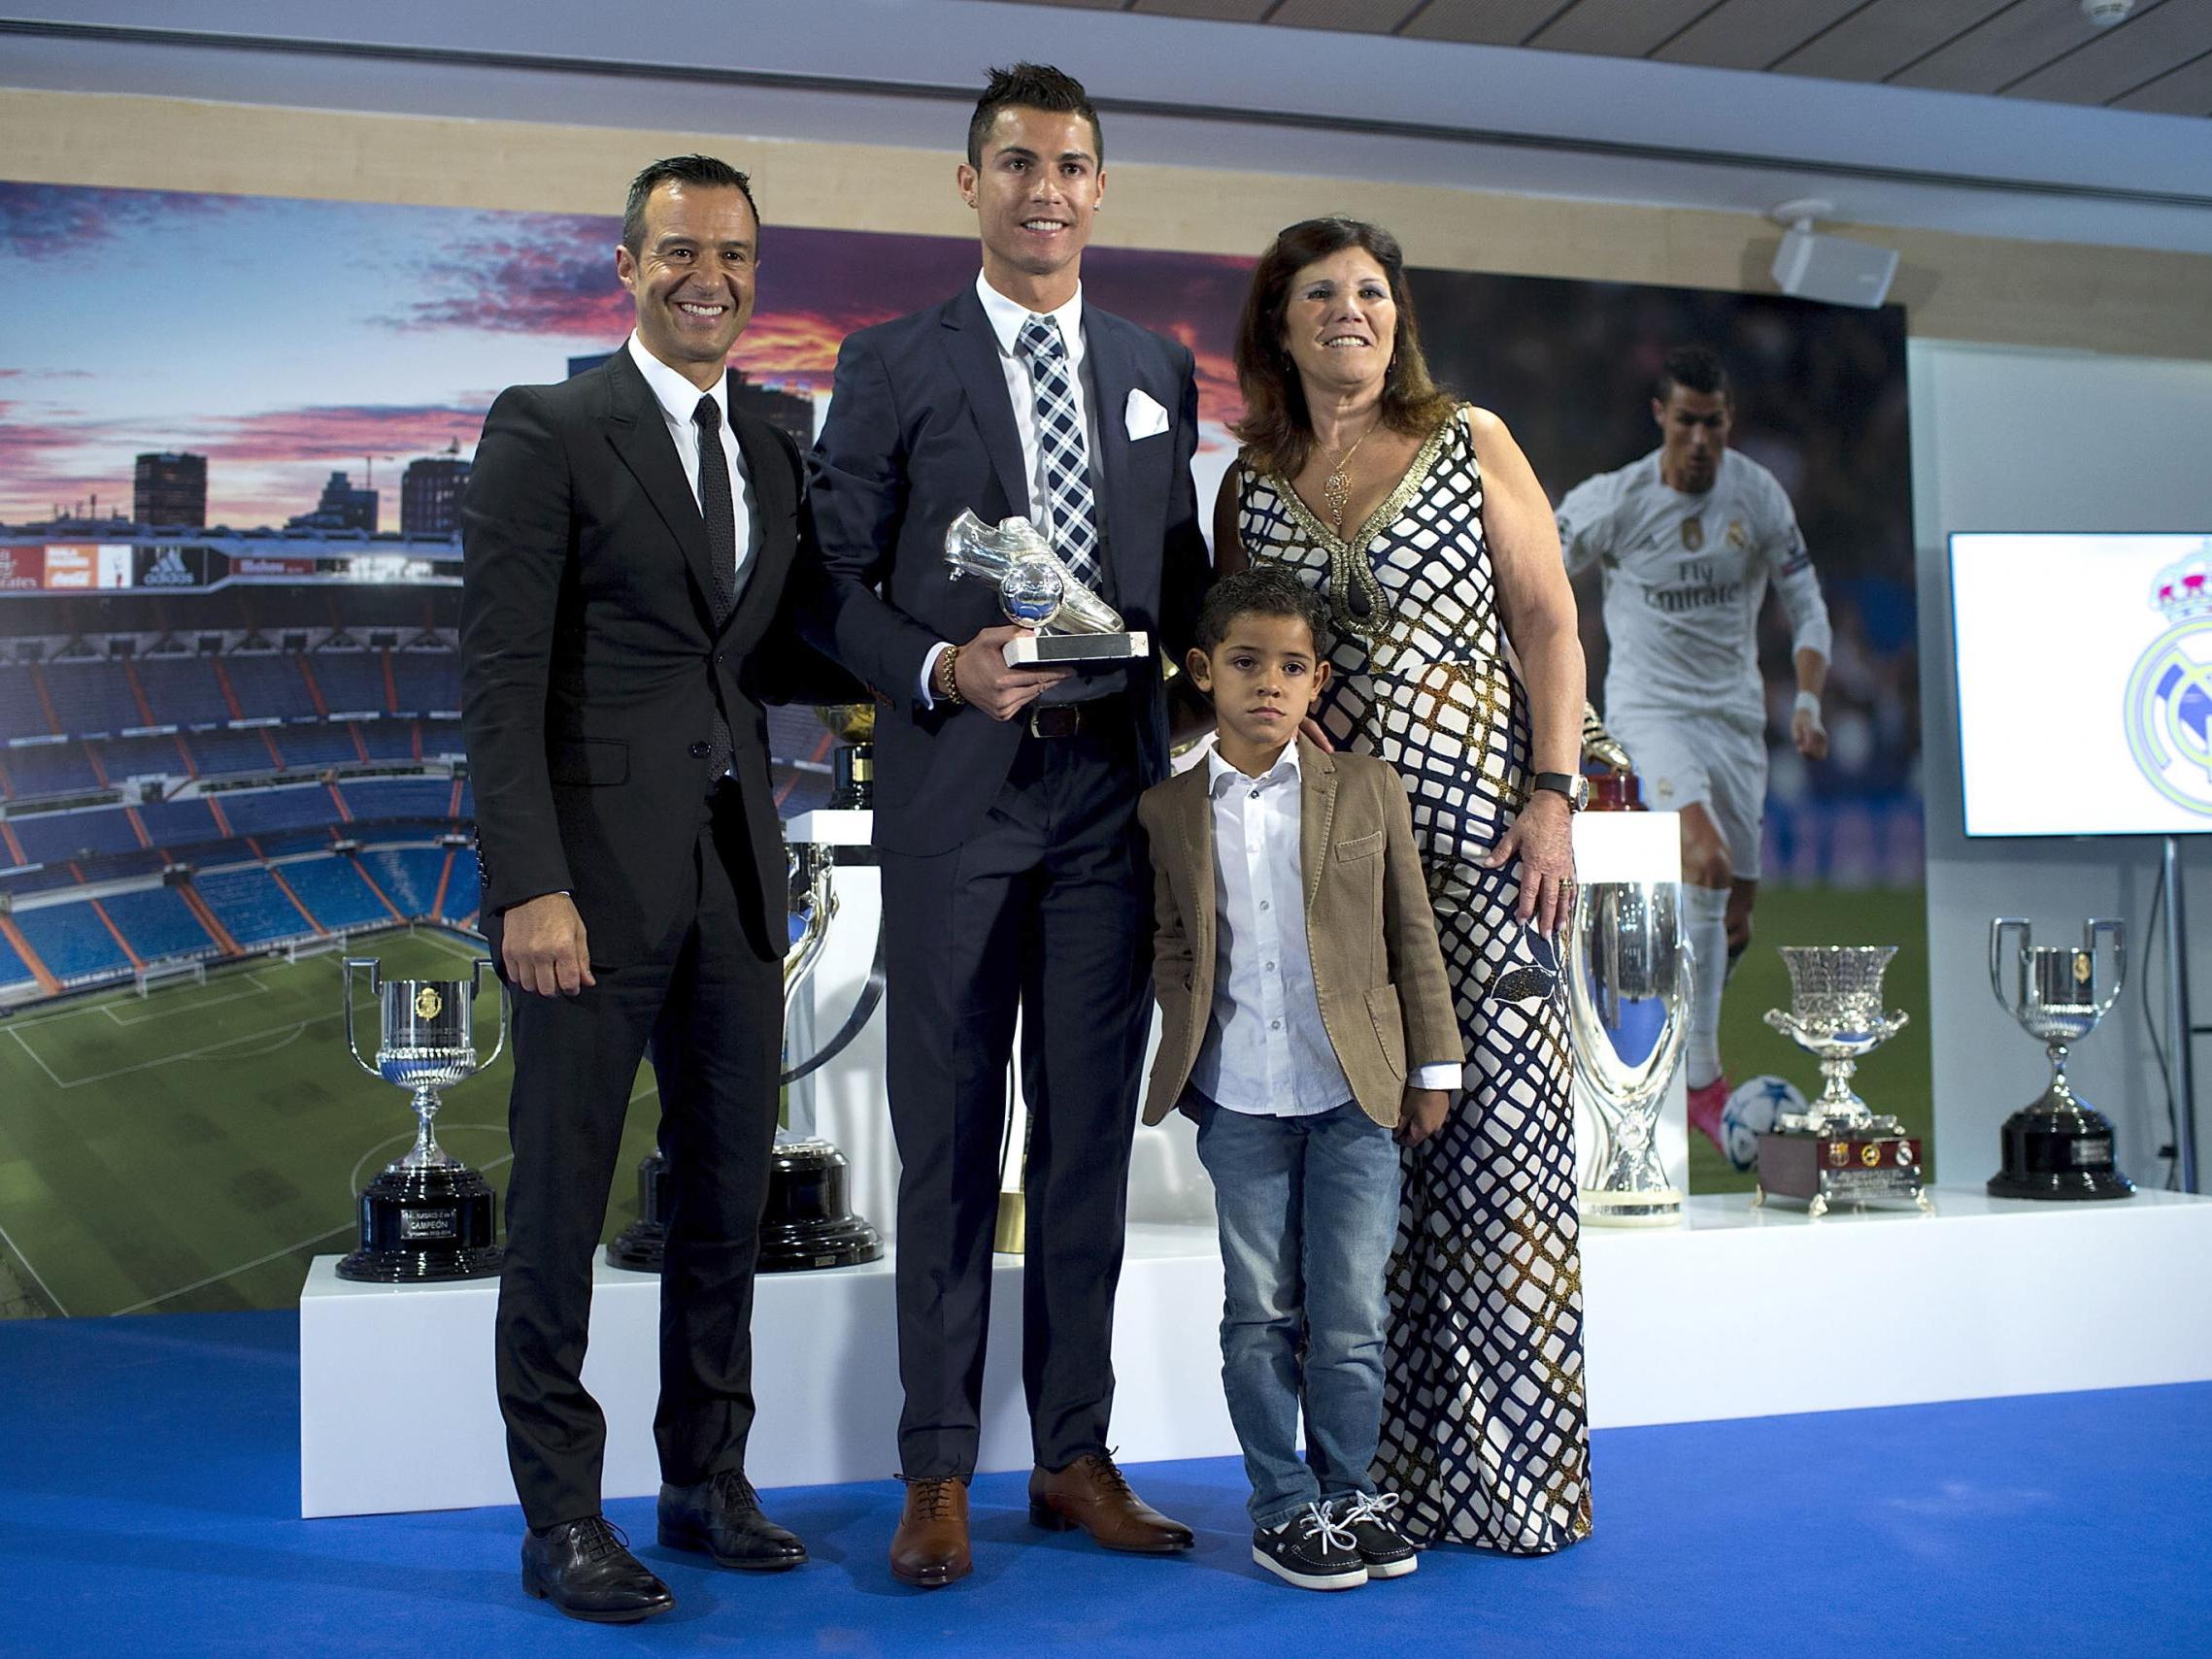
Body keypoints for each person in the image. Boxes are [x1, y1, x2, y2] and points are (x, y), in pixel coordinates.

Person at [798, 63, 1208, 1588]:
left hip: (1108, 803)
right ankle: (937, 1469)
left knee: (1089, 1142)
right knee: (951, 1145)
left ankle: (1072, 1454)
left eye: (1074, 164)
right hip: (957, 800)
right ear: (967, 184)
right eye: (1018, 162)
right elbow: (830, 584)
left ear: (1102, 189)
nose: (1048, 187)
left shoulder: (1155, 361)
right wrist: (936, 666)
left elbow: (1179, 581)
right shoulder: (893, 362)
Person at [460, 154, 811, 1623]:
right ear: (624, 263)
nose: (706, 278)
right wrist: (526, 885)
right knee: (558, 1207)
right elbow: (498, 674)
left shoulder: (779, 442)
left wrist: (967, 654)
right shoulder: (546, 427)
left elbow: (786, 651)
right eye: (678, 252)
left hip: (736, 881)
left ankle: (703, 1479)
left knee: (722, 1203)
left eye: (731, 255)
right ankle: (560, 1518)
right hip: (587, 894)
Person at [1214, 216, 1592, 1555]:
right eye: (1321, 292)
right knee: (1363, 1178)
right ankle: (1373, 1479)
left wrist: (1551, 799)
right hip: (1333, 879)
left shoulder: (1467, 436)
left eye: (1371, 291)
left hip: (1490, 852)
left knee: (1491, 1162)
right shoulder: (1248, 480)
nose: (1351, 311)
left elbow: (1547, 620)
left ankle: (1508, 1482)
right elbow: (1239, 652)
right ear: (1281, 319)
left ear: (1398, 316)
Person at [1139, 567, 1463, 1591]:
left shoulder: (1365, 788)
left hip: (1356, 1093)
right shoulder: (1167, 806)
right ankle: (1281, 1502)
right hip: (1238, 1095)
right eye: (1245, 662)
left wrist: (1433, 1061)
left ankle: (1346, 1487)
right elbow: (1173, 943)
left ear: (1317, 679)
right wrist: (1185, 1055)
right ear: (1204, 671)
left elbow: (1411, 932)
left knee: (1353, 1309)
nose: (1268, 684)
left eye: (1289, 666)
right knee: (1258, 1310)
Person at [1555, 345, 1832, 1163]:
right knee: (1704, 862)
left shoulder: (1759, 495)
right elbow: (1535, 574)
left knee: (1733, 913)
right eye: (1687, 421)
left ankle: (1649, 1011)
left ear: (1728, 420)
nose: (1701, 438)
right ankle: (1703, 1080)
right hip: (1649, 709)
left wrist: (1808, 701)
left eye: (1714, 422)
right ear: (1662, 418)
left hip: (1735, 718)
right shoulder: (1616, 501)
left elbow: (1808, 609)